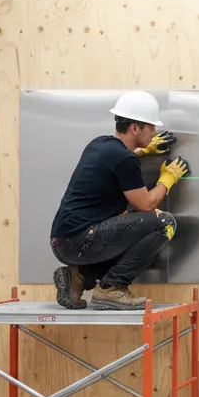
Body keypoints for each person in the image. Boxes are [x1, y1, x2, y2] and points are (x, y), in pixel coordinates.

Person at [50, 91, 191, 311]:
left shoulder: (100, 144)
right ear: (135, 128)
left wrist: (142, 151)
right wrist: (167, 179)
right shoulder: (124, 158)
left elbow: (116, 163)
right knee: (164, 223)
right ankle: (111, 289)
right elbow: (145, 204)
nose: (155, 132)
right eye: (151, 127)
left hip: (65, 241)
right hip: (81, 241)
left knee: (128, 228)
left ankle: (78, 277)